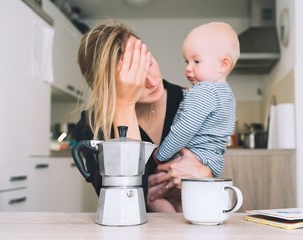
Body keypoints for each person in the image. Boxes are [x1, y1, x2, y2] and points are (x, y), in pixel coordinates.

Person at [74, 19, 212, 212]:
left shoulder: (193, 102)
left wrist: (205, 176)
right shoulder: (91, 126)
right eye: (133, 76)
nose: (151, 80)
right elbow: (125, 204)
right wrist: (124, 104)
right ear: (105, 88)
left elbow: (215, 185)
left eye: (147, 62)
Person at [148, 22, 240, 212]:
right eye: (186, 61)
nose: (188, 68)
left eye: (196, 61)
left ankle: (169, 227)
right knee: (186, 202)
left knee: (150, 193)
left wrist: (161, 154)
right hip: (210, 163)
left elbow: (184, 129)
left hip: (193, 157)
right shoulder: (227, 94)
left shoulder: (204, 92)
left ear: (223, 64)